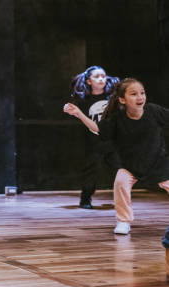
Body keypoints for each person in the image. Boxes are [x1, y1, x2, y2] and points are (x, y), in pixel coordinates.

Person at [64, 78, 169, 235]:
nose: (140, 97)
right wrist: (79, 114)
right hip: (131, 164)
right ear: (122, 99)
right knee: (121, 182)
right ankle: (123, 221)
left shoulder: (154, 111)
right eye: (134, 94)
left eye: (142, 93)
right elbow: (97, 128)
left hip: (158, 163)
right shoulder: (118, 118)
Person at [66, 66, 119, 209]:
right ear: (89, 81)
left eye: (103, 76)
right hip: (93, 142)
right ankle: (85, 199)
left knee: (120, 170)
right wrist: (68, 108)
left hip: (111, 141)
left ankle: (122, 200)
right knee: (91, 171)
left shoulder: (112, 98)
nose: (101, 79)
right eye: (97, 77)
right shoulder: (84, 100)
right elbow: (73, 110)